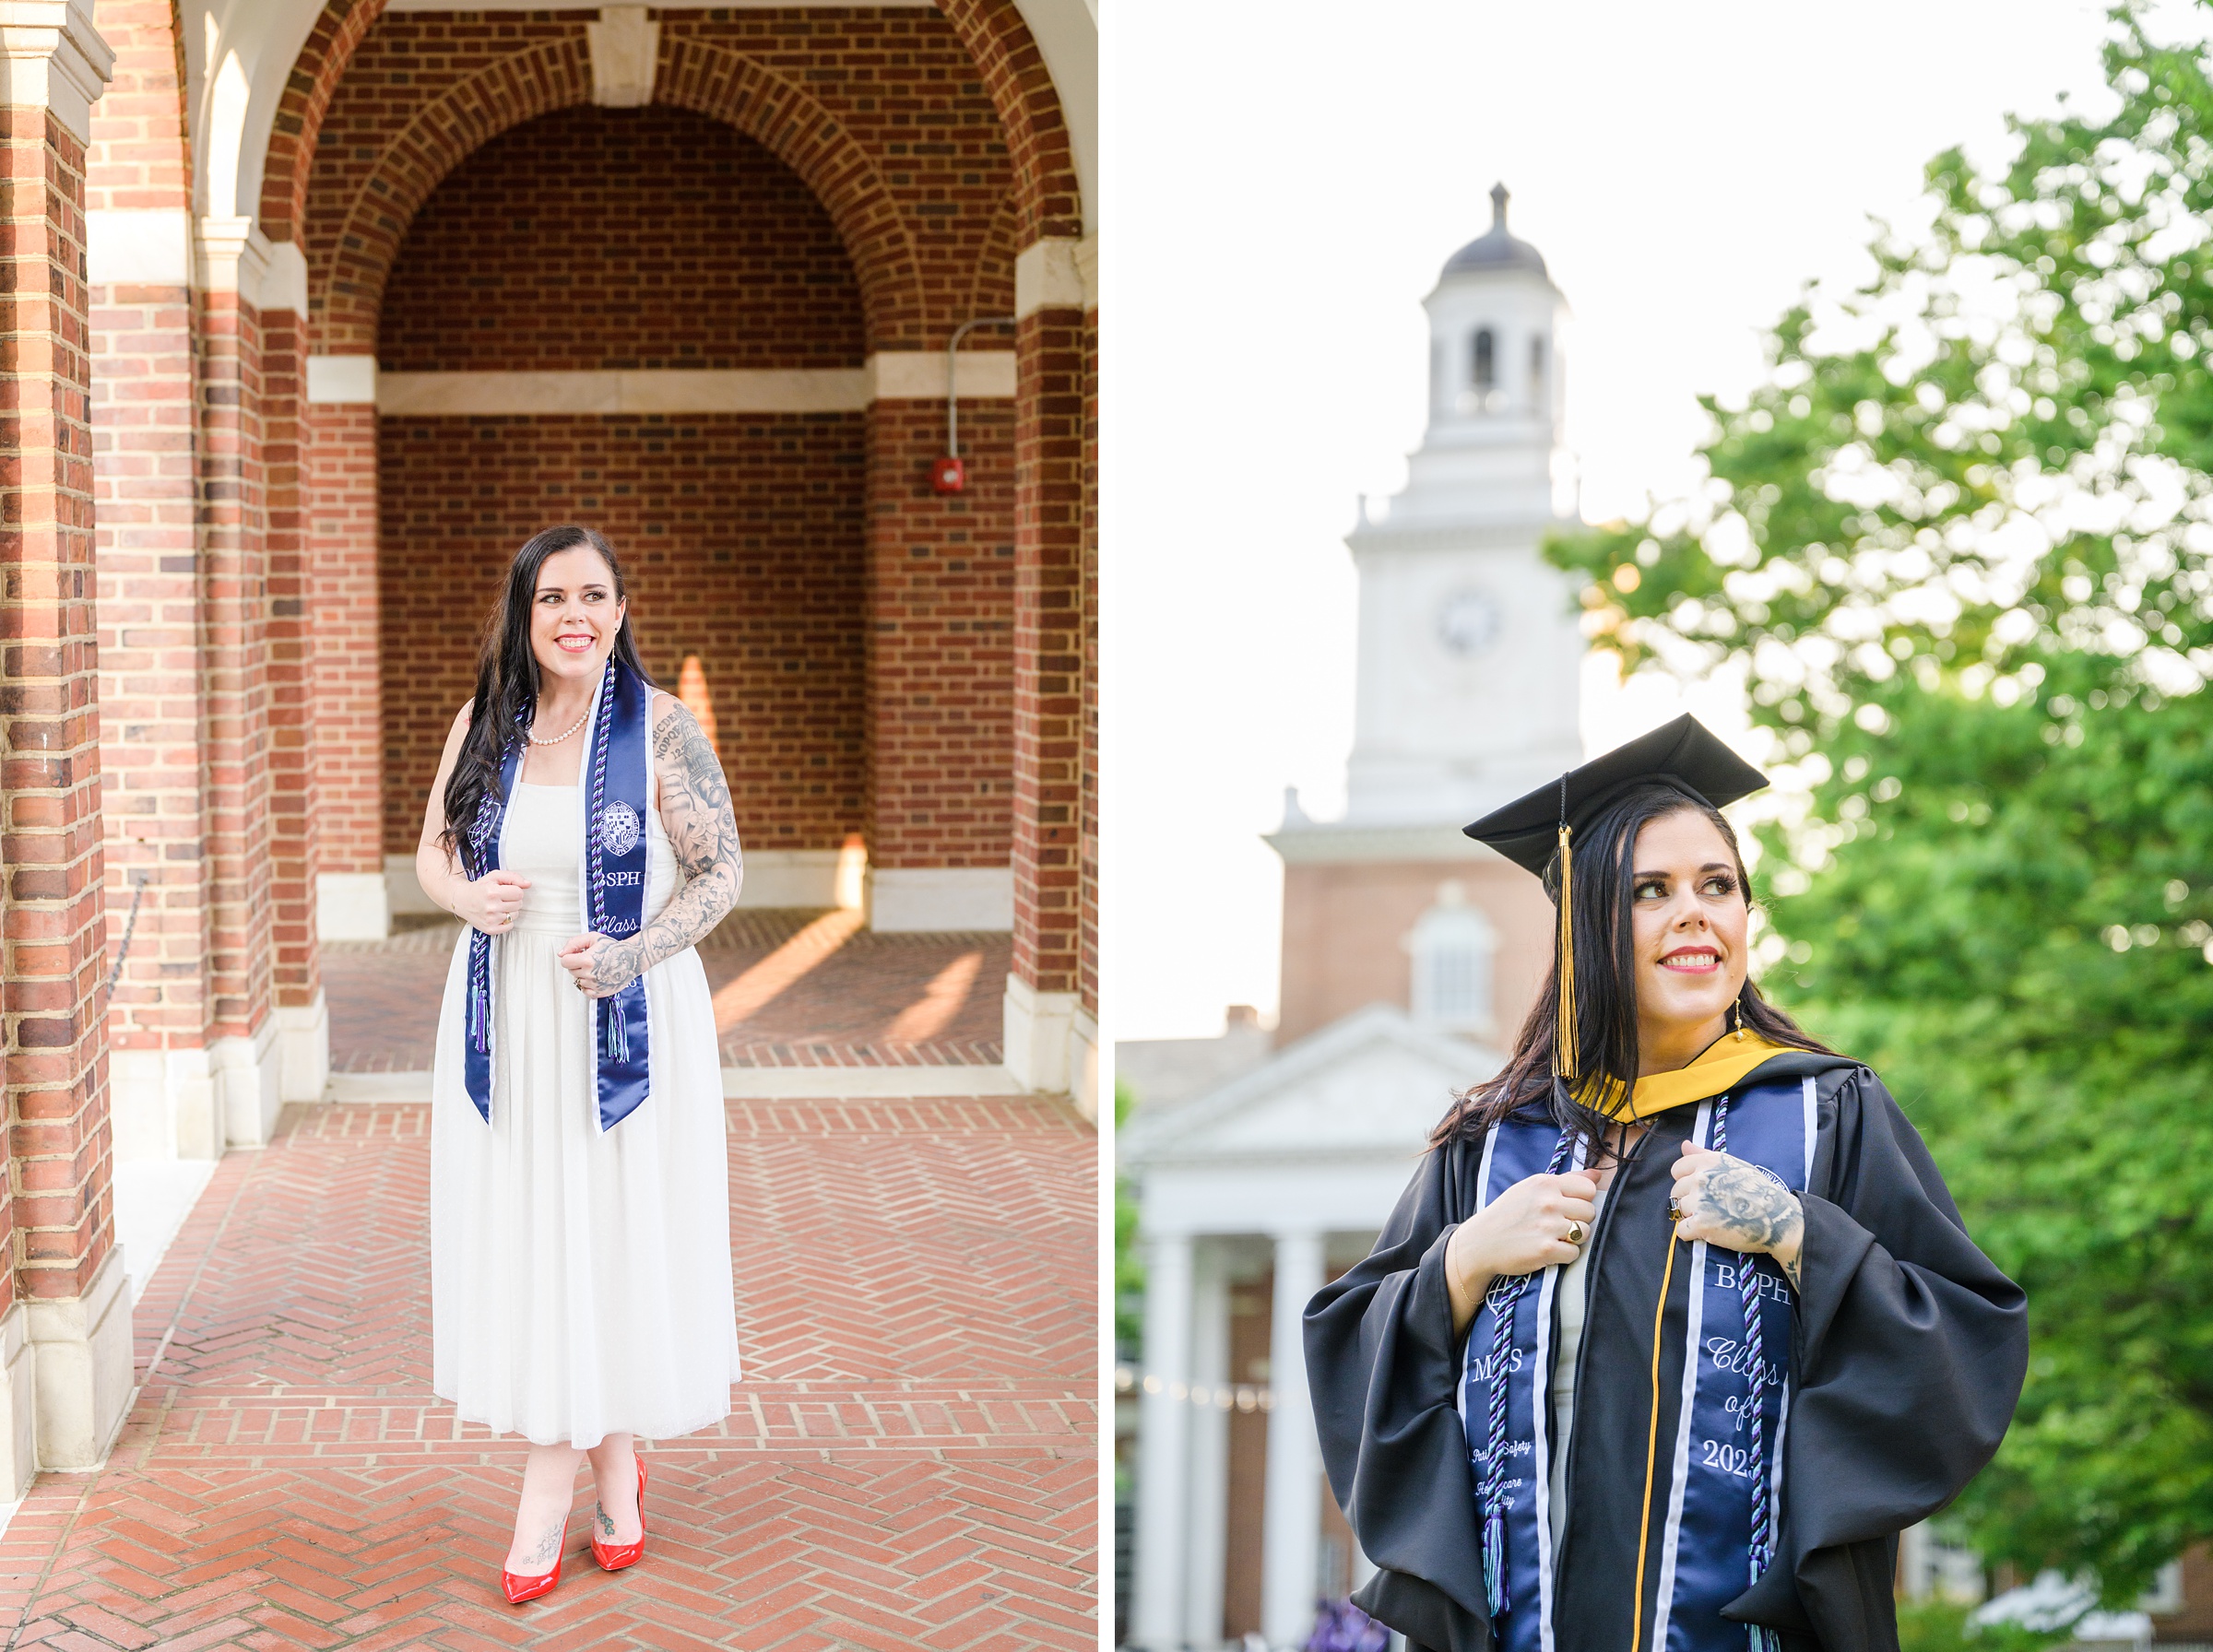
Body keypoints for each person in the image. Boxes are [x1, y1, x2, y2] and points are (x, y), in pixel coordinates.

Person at [1304, 714, 2028, 1652]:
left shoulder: (1828, 1115)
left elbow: (1966, 1335)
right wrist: (1461, 1264)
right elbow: (1349, 1351)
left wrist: (1799, 1233)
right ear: (1590, 930)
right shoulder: (1492, 1146)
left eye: (1717, 885)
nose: (1696, 911)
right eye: (1652, 889)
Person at [416, 525, 745, 1603]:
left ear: (619, 611)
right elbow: (431, 853)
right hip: (508, 1016)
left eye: (594, 595)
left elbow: (718, 875)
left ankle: (542, 1496)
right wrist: (470, 900)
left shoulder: (661, 731)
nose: (574, 613)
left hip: (623, 1018)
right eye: (553, 595)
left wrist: (630, 953)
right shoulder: (486, 725)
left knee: (605, 1231)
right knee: (541, 1236)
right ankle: (616, 1469)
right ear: (524, 612)